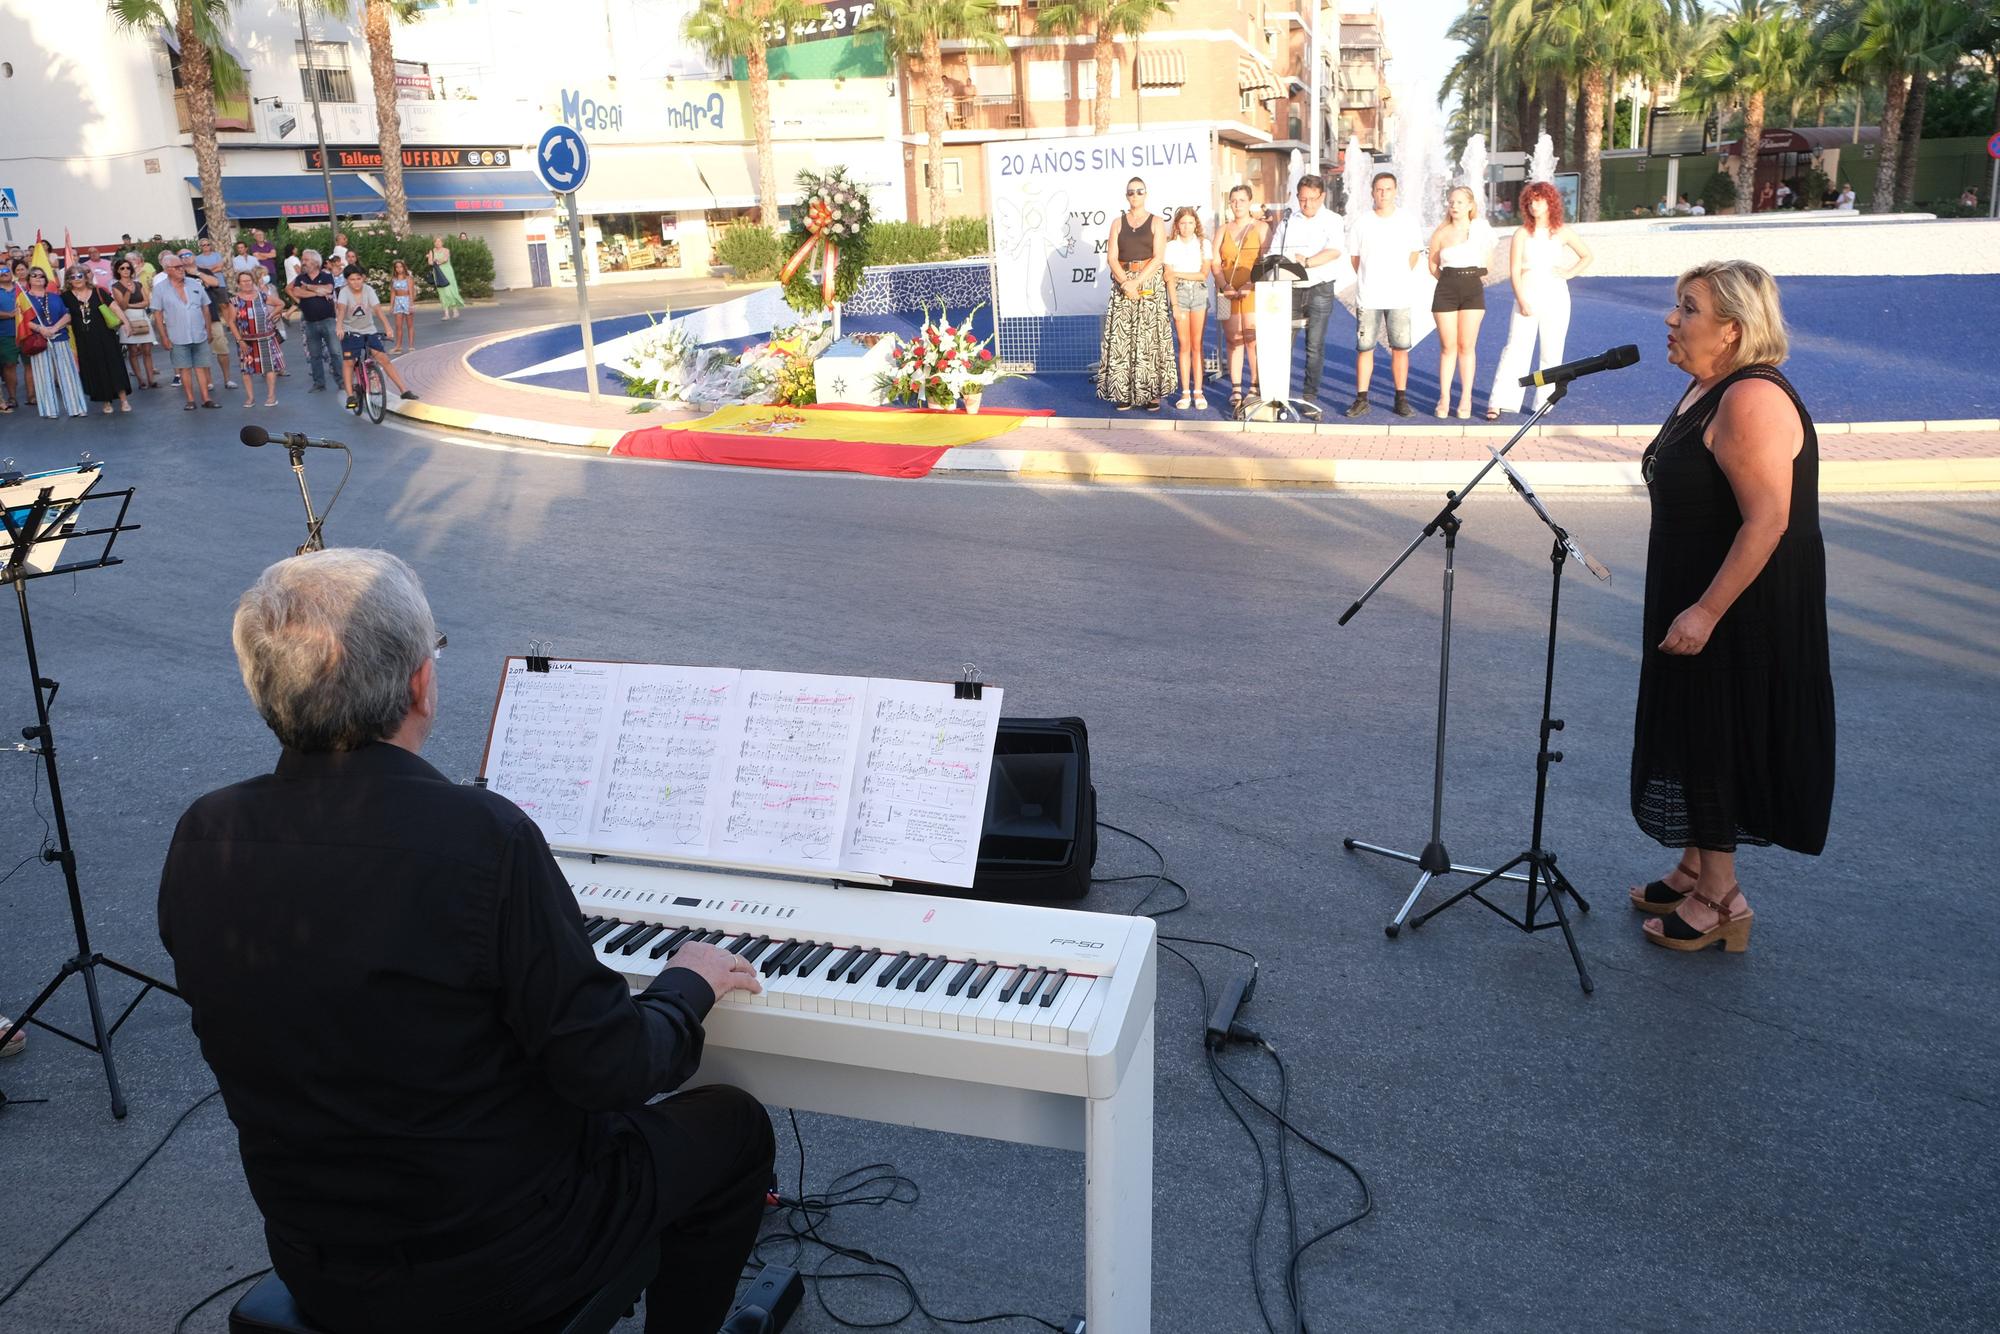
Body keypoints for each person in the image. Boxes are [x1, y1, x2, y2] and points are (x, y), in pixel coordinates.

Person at [158, 548, 775, 1334]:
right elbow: (610, 1069)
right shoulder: (485, 836)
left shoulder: (204, 832)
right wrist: (686, 985)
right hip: (499, 1261)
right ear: (420, 682)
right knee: (732, 1127)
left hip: (320, 1253)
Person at [1629, 260, 1834, 954]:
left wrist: (1705, 612)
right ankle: (1694, 866)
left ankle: (1723, 896)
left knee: (1716, 732)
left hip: (1738, 602)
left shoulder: (1751, 399)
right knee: (1692, 727)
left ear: (1733, 330)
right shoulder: (1706, 386)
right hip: (1697, 587)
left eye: (1687, 308)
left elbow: (1768, 520)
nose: (1671, 318)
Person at [1486, 180, 1593, 419]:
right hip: (1528, 292)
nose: (1534, 205)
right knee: (1516, 347)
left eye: (1539, 200)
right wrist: (1521, 299)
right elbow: (1514, 270)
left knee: (1552, 349)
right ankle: (1500, 400)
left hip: (1556, 294)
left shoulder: (1562, 232)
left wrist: (1568, 273)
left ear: (1550, 202)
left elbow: (1586, 255)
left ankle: (1544, 402)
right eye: (1531, 200)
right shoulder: (1522, 233)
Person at [1345, 171, 1424, 419]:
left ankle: (1401, 398)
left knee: (1400, 348)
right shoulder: (1362, 222)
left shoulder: (1407, 221)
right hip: (1369, 296)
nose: (1383, 194)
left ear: (1395, 191)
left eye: (1388, 189)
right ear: (1372, 192)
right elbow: (1355, 259)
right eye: (1379, 189)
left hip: (1398, 296)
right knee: (1364, 348)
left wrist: (1397, 276)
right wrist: (1371, 278)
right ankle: (1362, 398)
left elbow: (1414, 254)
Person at [1266, 174, 1345, 405]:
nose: (1307, 204)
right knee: (1282, 342)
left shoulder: (1333, 220)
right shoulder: (1289, 220)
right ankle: (1278, 394)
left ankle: (1309, 395)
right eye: (1302, 199)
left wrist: (1308, 262)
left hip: (1320, 287)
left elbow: (1334, 250)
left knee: (1314, 345)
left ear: (1322, 196)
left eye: (1312, 199)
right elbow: (1273, 251)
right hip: (1289, 289)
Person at [1095, 177, 1172, 411]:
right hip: (1123, 284)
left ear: (1146, 194)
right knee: (1122, 340)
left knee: (1149, 340)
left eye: (1139, 191)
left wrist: (1138, 281)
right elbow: (1111, 256)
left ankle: (1151, 393)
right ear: (1126, 196)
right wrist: (1126, 282)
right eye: (1131, 192)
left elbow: (1158, 257)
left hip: (1149, 284)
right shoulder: (1117, 223)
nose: (1135, 195)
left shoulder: (1157, 222)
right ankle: (1123, 392)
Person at [1427, 185, 1494, 420]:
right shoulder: (1441, 233)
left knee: (1467, 345)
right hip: (1446, 289)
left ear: (1470, 206)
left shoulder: (1480, 231)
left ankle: (1466, 397)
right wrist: (1449, 280)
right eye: (1451, 202)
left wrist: (1468, 277)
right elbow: (1433, 266)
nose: (1454, 206)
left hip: (1472, 289)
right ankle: (1444, 397)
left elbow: (1489, 262)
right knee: (1448, 346)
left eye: (1459, 202)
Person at [1212, 184, 1267, 411]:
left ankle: (1254, 385)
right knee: (1233, 340)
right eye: (1233, 200)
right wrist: (1224, 285)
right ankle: (1236, 387)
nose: (1237, 205)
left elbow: (1266, 261)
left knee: (1252, 339)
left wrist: (1251, 283)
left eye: (1242, 200)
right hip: (1225, 293)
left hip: (1252, 291)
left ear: (1250, 201)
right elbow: (1215, 262)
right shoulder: (1222, 229)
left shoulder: (1261, 228)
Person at [336, 264, 418, 407]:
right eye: (352, 279)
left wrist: (387, 327)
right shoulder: (344, 292)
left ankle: (404, 390)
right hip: (350, 330)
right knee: (349, 362)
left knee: (383, 358)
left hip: (369, 329)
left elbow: (378, 310)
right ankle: (350, 396)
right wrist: (339, 327)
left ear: (363, 278)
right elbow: (341, 310)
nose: (356, 282)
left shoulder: (369, 290)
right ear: (347, 281)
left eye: (358, 278)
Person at [151, 252, 220, 410]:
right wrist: (164, 337)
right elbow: (157, 314)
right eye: (176, 267)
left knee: (201, 367)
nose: (181, 269)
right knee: (184, 368)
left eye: (181, 266)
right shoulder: (160, 289)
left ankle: (206, 399)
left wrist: (208, 330)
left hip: (199, 334)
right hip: (177, 336)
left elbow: (205, 308)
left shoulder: (195, 283)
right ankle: (190, 400)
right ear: (167, 269)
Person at [1161, 207, 1213, 412]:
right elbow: (1168, 278)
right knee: (1183, 345)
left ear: (1196, 224)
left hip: (1199, 294)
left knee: (1197, 344)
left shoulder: (1204, 244)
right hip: (1180, 296)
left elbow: (1203, 275)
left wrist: (1178, 274)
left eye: (1190, 222)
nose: (1186, 227)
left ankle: (1199, 391)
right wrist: (1173, 305)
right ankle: (1185, 392)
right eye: (1183, 223)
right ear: (1176, 225)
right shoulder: (1171, 246)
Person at [63, 266, 132, 414]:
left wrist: (126, 322)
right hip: (84, 339)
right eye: (72, 277)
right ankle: (105, 401)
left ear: (85, 277)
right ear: (68, 280)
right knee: (95, 369)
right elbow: (64, 316)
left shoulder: (98, 291)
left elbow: (114, 307)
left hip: (105, 336)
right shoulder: (66, 297)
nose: (77, 279)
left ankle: (123, 400)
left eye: (79, 275)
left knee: (114, 366)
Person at [22, 268, 89, 418]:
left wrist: (54, 328)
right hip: (39, 341)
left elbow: (67, 314)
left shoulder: (55, 296)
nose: (38, 278)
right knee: (43, 375)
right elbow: (23, 321)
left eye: (41, 276)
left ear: (46, 280)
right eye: (34, 276)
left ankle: (76, 407)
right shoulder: (24, 299)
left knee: (68, 373)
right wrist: (41, 329)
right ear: (29, 280)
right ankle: (49, 410)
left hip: (60, 337)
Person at [289, 250, 340, 393]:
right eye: (302, 259)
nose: (302, 262)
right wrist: (318, 292)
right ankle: (319, 383)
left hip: (328, 321)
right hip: (310, 323)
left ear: (315, 262)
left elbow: (329, 290)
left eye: (305, 259)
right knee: (314, 355)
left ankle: (342, 382)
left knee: (335, 353)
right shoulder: (300, 278)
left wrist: (309, 287)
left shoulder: (326, 276)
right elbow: (297, 292)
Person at [232, 269, 281, 408]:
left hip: (265, 338)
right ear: (238, 284)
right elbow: (231, 322)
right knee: (246, 370)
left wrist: (273, 316)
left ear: (253, 281)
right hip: (246, 341)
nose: (247, 284)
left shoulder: (262, 296)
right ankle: (250, 397)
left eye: (249, 280)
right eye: (243, 281)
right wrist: (240, 341)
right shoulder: (235, 301)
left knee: (269, 367)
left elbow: (280, 304)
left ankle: (271, 396)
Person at [111, 258, 159, 391]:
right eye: (122, 268)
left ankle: (151, 379)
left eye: (128, 268)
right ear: (118, 271)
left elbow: (146, 302)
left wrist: (132, 305)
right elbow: (122, 306)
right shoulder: (116, 287)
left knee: (147, 350)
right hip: (127, 319)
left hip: (142, 317)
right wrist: (128, 292)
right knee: (133, 351)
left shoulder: (138, 284)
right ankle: (140, 379)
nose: (126, 270)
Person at [0, 264, 27, 412]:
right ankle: (12, 397)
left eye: (6, 271)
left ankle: (32, 396)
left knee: (31, 365)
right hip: (6, 335)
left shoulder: (22, 288)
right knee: (9, 365)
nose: (4, 273)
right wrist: (10, 315)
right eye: (0, 272)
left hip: (27, 332)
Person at [429, 235, 467, 320]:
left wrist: (436, 261)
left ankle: (455, 310)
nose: (437, 243)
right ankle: (446, 314)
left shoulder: (446, 250)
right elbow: (430, 262)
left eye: (439, 241)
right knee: (442, 293)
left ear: (442, 242)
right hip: (438, 273)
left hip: (447, 273)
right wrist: (434, 262)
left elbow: (445, 259)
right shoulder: (432, 251)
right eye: (436, 241)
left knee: (450, 291)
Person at [388, 258, 417, 354]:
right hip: (397, 301)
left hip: (407, 300)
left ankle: (411, 345)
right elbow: (393, 293)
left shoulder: (408, 278)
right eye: (397, 267)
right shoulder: (394, 279)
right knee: (398, 326)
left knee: (409, 324)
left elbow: (411, 292)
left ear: (404, 268)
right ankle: (398, 346)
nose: (399, 269)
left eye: (400, 267)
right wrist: (391, 305)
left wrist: (411, 304)